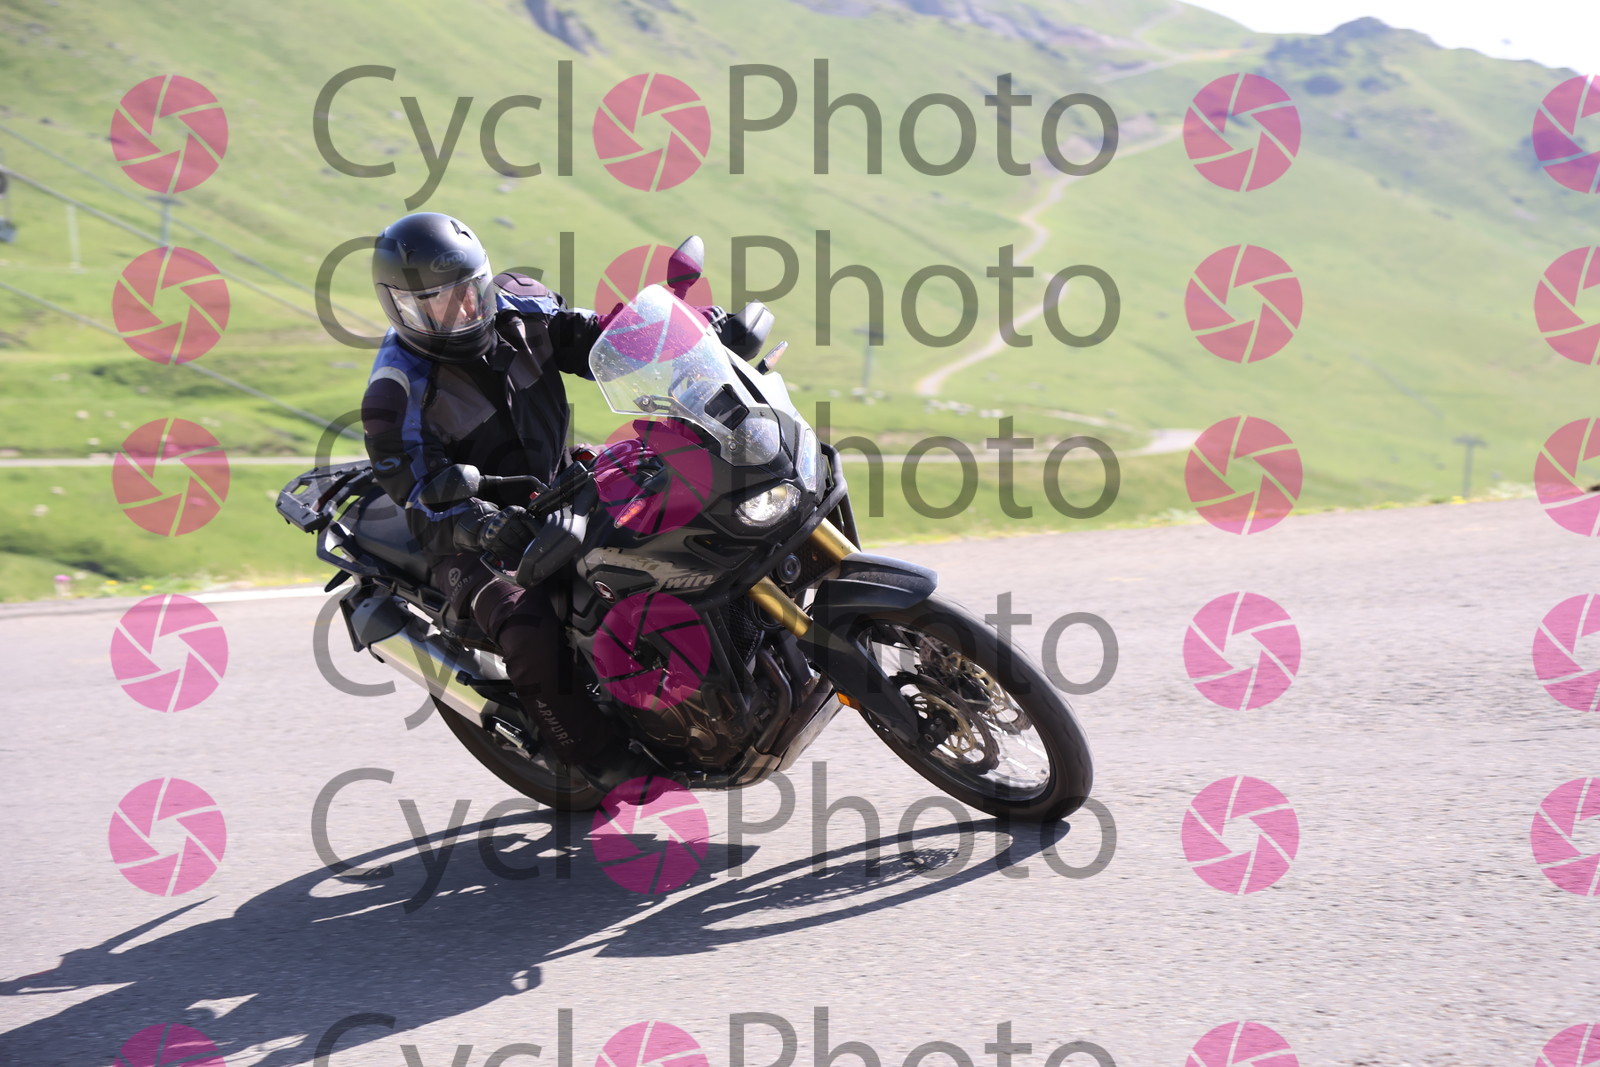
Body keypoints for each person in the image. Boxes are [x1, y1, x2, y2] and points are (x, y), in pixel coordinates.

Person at [360, 211, 644, 789]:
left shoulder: (523, 310)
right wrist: (480, 525)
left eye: (469, 291)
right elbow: (418, 491)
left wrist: (690, 336)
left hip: (559, 485)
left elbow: (601, 339)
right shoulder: (396, 391)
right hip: (469, 536)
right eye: (436, 304)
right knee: (525, 618)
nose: (461, 311)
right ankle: (599, 758)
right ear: (400, 308)